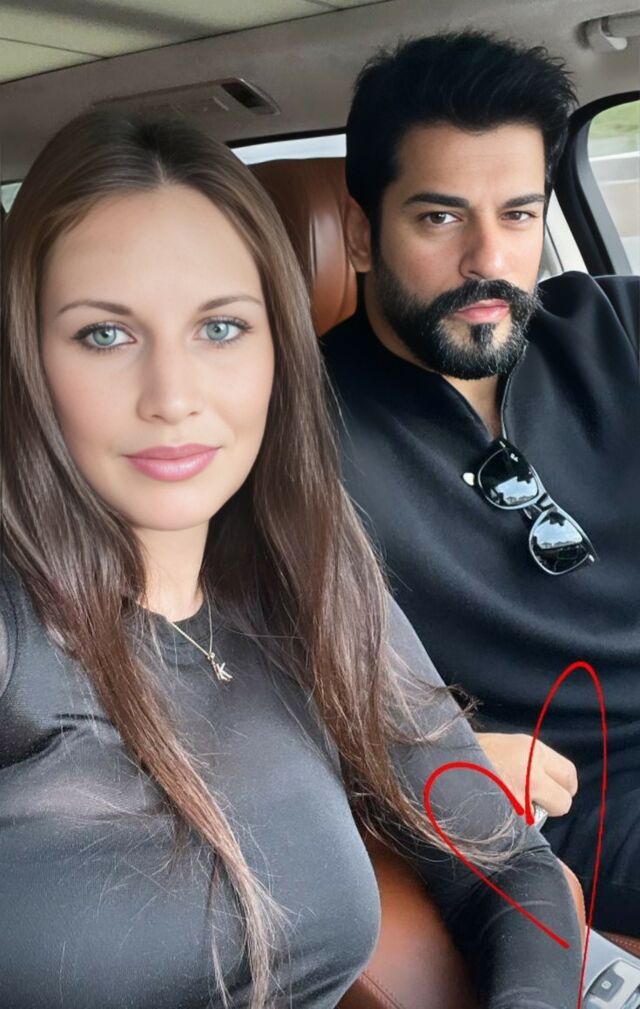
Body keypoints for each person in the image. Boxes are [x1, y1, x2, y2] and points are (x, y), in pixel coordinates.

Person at [0, 110, 584, 1009]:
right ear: (27, 359)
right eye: (105, 334)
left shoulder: (308, 572)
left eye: (220, 328)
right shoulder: (17, 634)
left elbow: (510, 867)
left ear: (278, 345)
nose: (172, 396)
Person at [321, 30, 640, 938]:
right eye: (439, 218)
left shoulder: (616, 324)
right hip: (579, 799)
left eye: (519, 214)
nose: (488, 260)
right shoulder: (294, 430)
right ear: (361, 234)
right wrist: (432, 762)